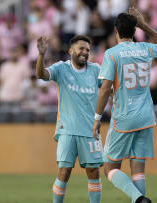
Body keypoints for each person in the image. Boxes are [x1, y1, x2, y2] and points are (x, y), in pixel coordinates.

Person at [92, 8, 157, 203]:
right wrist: (143, 24)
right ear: (134, 31)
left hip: (124, 116)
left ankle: (138, 199)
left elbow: (104, 89)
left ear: (116, 31)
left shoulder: (112, 54)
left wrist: (96, 118)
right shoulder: (145, 48)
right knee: (138, 169)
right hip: (146, 116)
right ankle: (140, 199)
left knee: (110, 168)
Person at [36, 35, 103, 203]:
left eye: (88, 50)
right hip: (68, 130)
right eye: (81, 48)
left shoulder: (96, 70)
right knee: (64, 172)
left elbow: (110, 87)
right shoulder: (61, 68)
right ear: (71, 51)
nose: (85, 52)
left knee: (93, 172)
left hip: (91, 131)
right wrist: (41, 55)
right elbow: (41, 74)